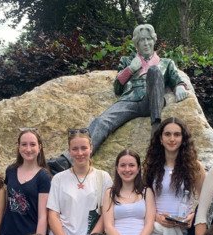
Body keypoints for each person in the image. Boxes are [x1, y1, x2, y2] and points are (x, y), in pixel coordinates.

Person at [51, 24, 189, 170]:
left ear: (154, 40)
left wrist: (180, 86)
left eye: (148, 39)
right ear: (136, 44)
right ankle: (68, 160)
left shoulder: (166, 63)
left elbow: (176, 79)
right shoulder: (126, 61)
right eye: (142, 40)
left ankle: (156, 130)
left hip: (153, 100)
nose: (146, 43)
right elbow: (117, 88)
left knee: (154, 71)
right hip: (129, 100)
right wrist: (130, 69)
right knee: (101, 121)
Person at [47, 128, 112, 235]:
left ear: (91, 148)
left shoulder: (103, 177)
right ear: (69, 151)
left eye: (84, 148)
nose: (80, 153)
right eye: (75, 149)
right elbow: (53, 215)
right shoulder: (59, 179)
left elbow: (105, 215)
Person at [0, 129, 52, 235]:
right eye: (24, 144)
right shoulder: (11, 171)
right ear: (18, 147)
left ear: (39, 147)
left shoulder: (44, 177)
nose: (28, 149)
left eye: (32, 144)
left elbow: (42, 216)